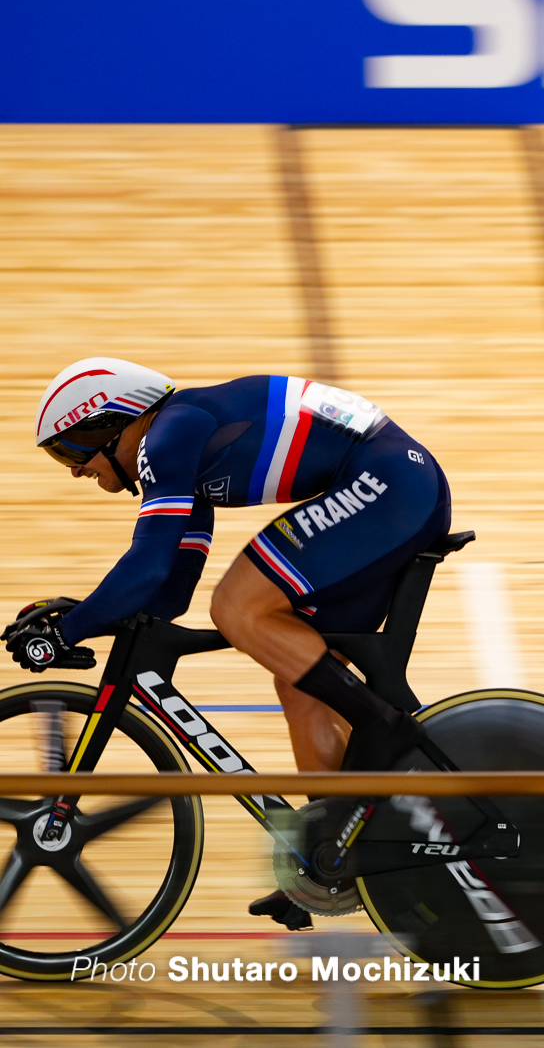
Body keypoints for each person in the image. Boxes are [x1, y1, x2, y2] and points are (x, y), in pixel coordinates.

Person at [8, 358, 452, 928]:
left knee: (238, 606)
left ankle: (381, 723)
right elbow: (167, 590)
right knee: (301, 683)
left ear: (109, 426)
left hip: (386, 484)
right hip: (393, 485)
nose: (73, 471)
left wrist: (67, 631)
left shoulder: (166, 438)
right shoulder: (180, 447)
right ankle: (331, 861)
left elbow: (146, 567)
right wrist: (88, 613)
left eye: (72, 452)